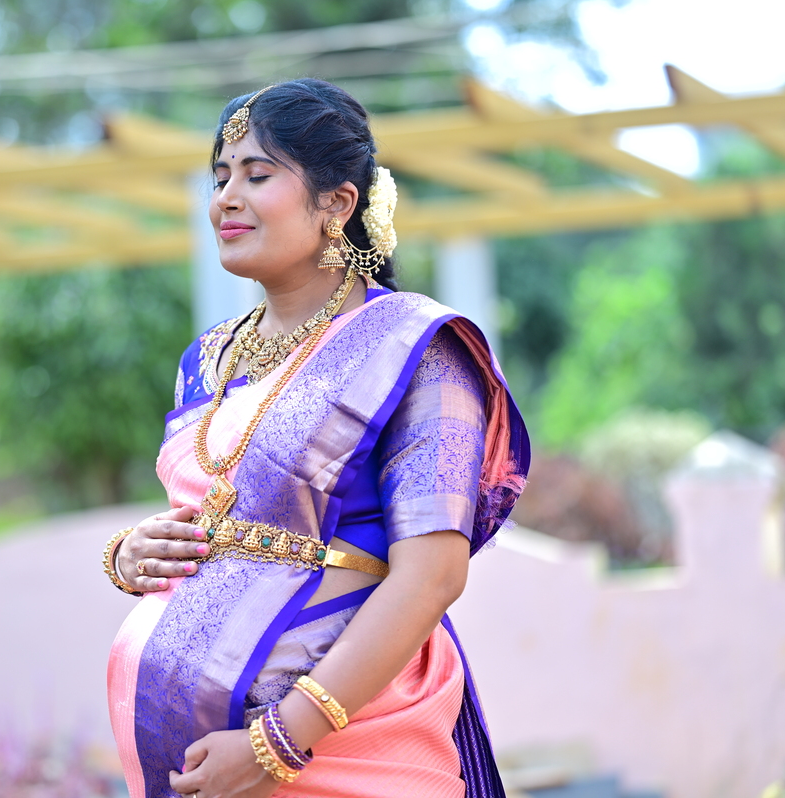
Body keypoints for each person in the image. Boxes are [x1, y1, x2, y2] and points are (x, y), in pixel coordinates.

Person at [101, 79, 529, 798]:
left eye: (257, 175)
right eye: (219, 177)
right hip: (192, 751)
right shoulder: (207, 359)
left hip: (345, 747)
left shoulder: (419, 348)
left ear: (337, 202)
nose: (226, 198)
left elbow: (432, 576)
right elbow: (224, 520)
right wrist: (134, 552)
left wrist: (277, 741)